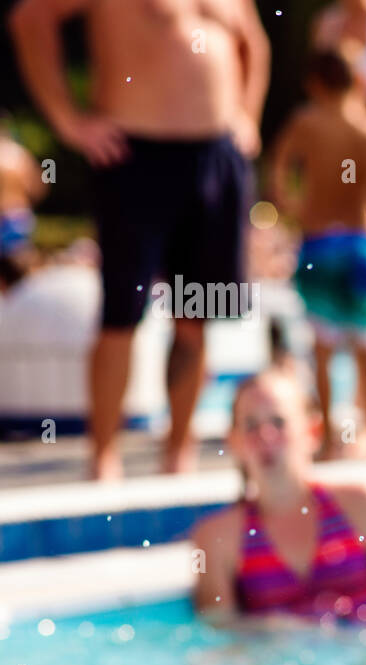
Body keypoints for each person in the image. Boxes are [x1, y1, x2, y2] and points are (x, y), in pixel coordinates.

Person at [9, 0, 270, 480]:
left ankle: (177, 453)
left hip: (215, 158)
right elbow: (30, 18)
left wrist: (246, 114)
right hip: (136, 157)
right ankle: (103, 457)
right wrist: (68, 119)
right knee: (121, 316)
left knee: (197, 315)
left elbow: (253, 41)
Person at [190, 369, 366, 628]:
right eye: (251, 425)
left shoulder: (365, 504)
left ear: (312, 431)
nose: (265, 437)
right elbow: (219, 631)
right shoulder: (214, 539)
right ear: (234, 442)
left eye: (278, 422)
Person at [269, 47, 366, 456]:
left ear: (314, 83)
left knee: (323, 349)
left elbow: (278, 176)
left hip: (318, 242)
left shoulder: (305, 123)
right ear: (359, 81)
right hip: (363, 243)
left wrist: (294, 209)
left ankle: (330, 437)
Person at [0, 124, 46, 290]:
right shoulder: (20, 155)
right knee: (21, 270)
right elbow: (38, 187)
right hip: (19, 213)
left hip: (4, 214)